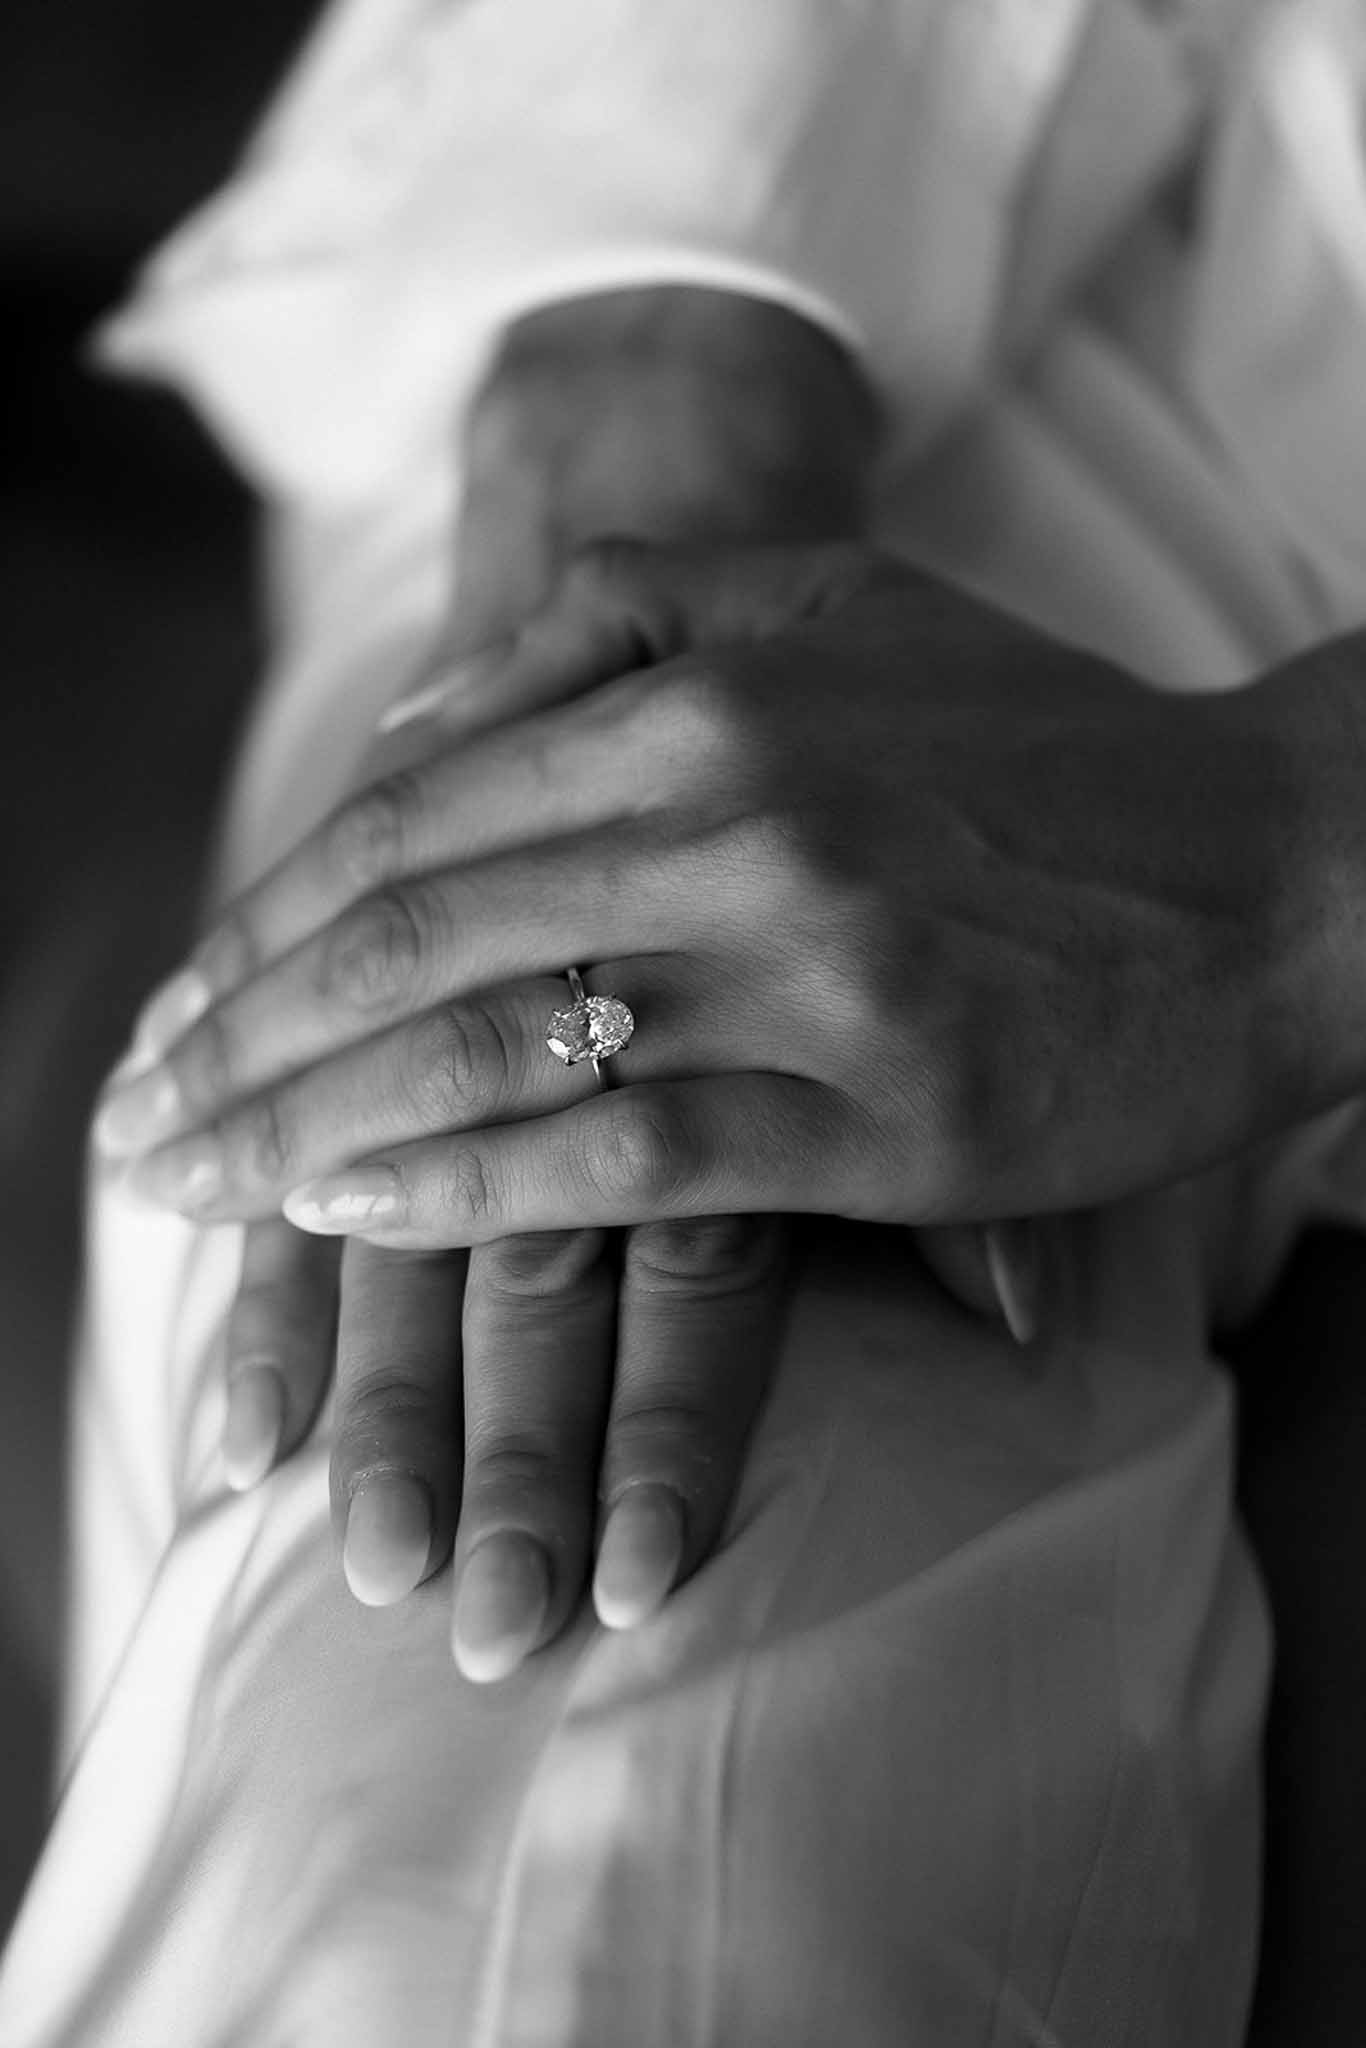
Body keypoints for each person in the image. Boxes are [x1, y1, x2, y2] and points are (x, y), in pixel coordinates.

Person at [1, 0, 1364, 2040]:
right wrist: (661, 311)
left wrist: (1287, 875)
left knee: (529, 1634)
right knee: (478, 1260)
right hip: (679, 290)